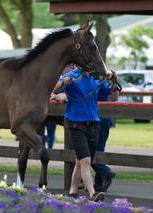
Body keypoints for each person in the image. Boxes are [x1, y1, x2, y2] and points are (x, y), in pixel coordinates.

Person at [53, 66, 118, 202]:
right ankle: (93, 194)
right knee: (86, 162)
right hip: (76, 123)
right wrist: (64, 83)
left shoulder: (96, 76)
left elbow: (109, 93)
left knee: (80, 161)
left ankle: (72, 192)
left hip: (93, 124)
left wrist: (113, 81)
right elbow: (54, 88)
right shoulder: (72, 75)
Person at [91, 89, 118, 192]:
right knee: (99, 150)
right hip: (106, 115)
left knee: (88, 153)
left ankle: (105, 172)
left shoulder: (88, 78)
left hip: (94, 116)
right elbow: (115, 98)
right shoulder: (106, 77)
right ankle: (99, 183)